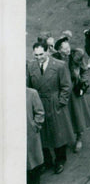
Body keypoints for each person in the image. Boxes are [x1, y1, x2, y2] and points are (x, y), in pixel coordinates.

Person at [27, 41, 75, 175]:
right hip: (38, 102)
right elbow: (29, 86)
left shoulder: (59, 65)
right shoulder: (30, 66)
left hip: (54, 102)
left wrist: (61, 102)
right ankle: (46, 160)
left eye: (41, 54)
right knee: (41, 134)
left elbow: (66, 85)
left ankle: (60, 160)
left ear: (48, 51)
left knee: (58, 132)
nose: (39, 57)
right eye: (36, 55)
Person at [53, 37, 90, 154]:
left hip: (74, 91)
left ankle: (79, 137)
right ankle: (66, 137)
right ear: (59, 50)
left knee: (77, 114)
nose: (68, 50)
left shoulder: (75, 56)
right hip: (62, 91)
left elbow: (84, 71)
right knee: (65, 116)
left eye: (68, 47)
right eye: (65, 49)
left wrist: (84, 83)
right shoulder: (55, 59)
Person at [27, 86, 45, 184]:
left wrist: (36, 125)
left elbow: (39, 111)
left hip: (30, 132)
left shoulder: (32, 93)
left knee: (34, 159)